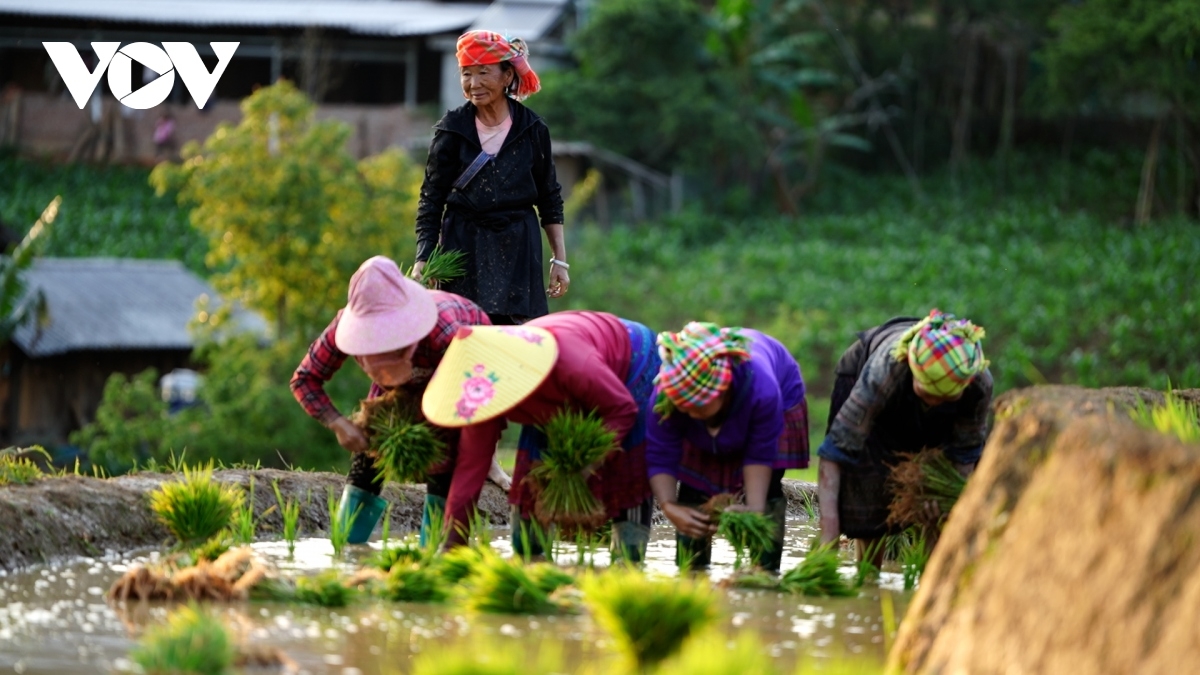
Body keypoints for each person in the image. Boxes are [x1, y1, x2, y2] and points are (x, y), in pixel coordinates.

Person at [290, 256, 509, 546]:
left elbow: (487, 398)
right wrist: (338, 423)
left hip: (455, 380)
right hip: (398, 388)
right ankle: (347, 548)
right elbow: (305, 379)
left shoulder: (446, 334)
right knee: (366, 459)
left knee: (443, 466)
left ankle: (436, 554)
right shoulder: (343, 326)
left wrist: (485, 454)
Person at [421, 311, 659, 560]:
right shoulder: (482, 393)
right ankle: (533, 559)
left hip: (628, 362)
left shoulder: (571, 364)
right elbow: (470, 467)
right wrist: (451, 547)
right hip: (554, 395)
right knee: (526, 539)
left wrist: (586, 467)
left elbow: (621, 410)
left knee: (628, 468)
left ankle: (627, 561)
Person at [412, 30, 568, 326]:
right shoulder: (452, 130)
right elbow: (431, 201)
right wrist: (424, 258)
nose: (474, 84)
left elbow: (549, 197)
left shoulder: (532, 129)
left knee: (519, 339)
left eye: (484, 72)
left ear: (507, 76)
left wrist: (559, 259)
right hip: (463, 247)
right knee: (463, 336)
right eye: (466, 74)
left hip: (518, 248)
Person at [816, 309, 993, 556]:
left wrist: (945, 502)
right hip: (868, 381)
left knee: (934, 507)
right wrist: (829, 536)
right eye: (928, 392)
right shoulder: (886, 371)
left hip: (933, 409)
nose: (934, 402)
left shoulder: (978, 383)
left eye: (944, 396)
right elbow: (835, 453)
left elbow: (963, 455)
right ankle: (869, 577)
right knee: (869, 485)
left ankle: (929, 574)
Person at [646, 322, 809, 571]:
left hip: (779, 389)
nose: (691, 411)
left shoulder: (761, 390)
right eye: (684, 405)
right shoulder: (665, 394)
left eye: (699, 404)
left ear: (722, 391)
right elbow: (660, 453)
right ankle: (692, 570)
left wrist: (754, 508)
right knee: (693, 485)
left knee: (766, 496)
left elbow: (760, 453)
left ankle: (764, 573)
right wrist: (669, 506)